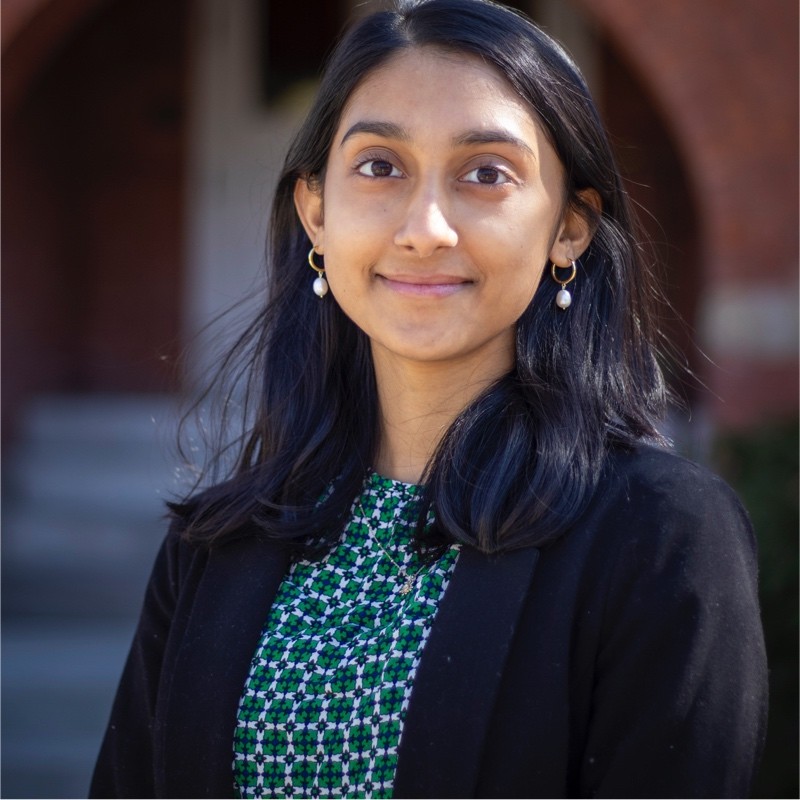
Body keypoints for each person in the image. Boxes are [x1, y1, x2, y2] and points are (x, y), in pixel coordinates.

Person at [90, 0, 768, 797]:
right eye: (380, 166)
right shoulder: (214, 546)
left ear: (570, 228)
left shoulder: (661, 539)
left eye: (487, 173)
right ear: (316, 212)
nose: (426, 227)